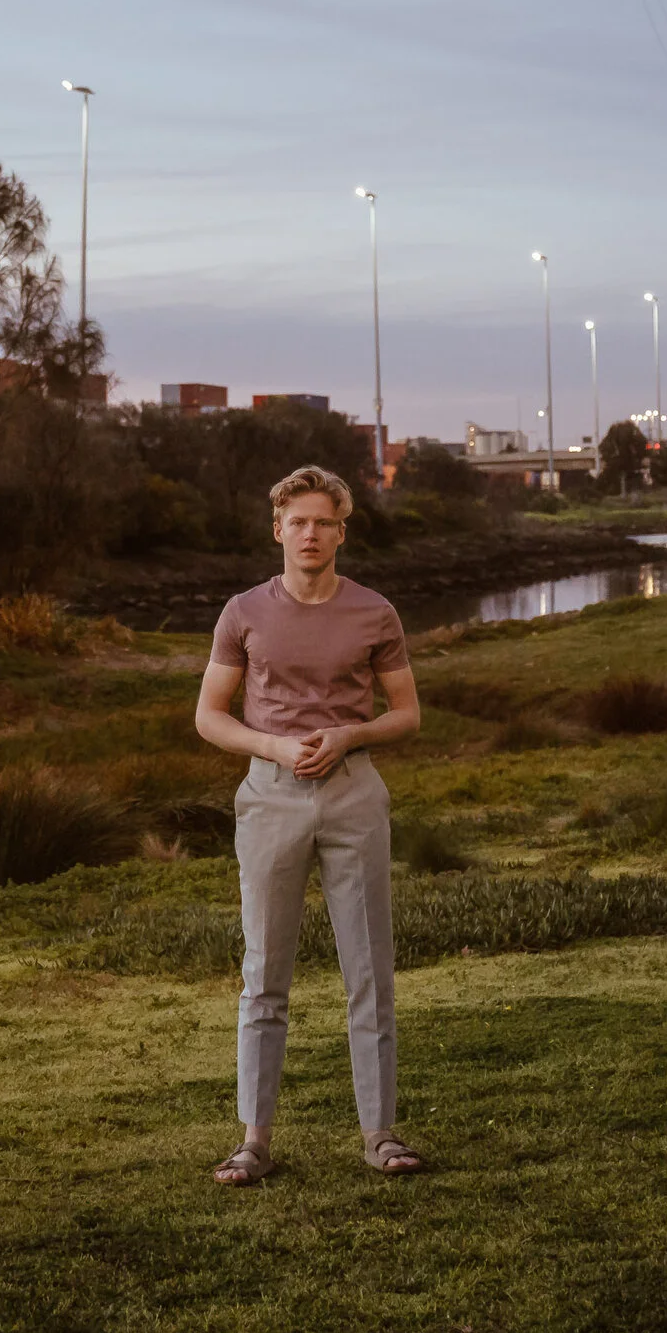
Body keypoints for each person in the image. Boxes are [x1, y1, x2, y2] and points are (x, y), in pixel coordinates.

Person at [194, 464, 425, 1185]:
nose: (311, 533)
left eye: (324, 521)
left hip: (354, 794)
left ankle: (380, 1135)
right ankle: (253, 1140)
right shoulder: (242, 612)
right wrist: (273, 746)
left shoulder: (375, 612)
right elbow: (209, 716)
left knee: (370, 971)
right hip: (269, 796)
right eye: (299, 521)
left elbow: (407, 713)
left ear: (342, 531)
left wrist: (349, 735)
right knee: (264, 971)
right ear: (278, 529)